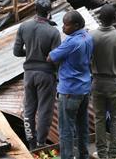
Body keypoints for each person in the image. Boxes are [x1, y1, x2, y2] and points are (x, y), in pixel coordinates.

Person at [13, 0, 61, 148]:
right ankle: (41, 143)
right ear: (49, 12)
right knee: (44, 110)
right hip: (46, 75)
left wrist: (30, 53)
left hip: (29, 74)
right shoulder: (53, 32)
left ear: (35, 9)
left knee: (29, 109)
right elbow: (55, 58)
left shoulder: (24, 27)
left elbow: (16, 52)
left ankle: (31, 143)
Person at [48, 10, 94, 159]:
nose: (63, 28)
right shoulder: (87, 36)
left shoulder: (71, 42)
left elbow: (52, 57)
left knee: (66, 129)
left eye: (66, 25)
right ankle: (83, 155)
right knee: (82, 126)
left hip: (69, 91)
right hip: (84, 89)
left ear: (75, 25)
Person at [90, 4, 116, 159]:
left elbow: (88, 58)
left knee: (99, 118)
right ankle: (113, 154)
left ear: (100, 18)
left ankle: (101, 153)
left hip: (98, 83)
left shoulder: (92, 35)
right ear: (114, 19)